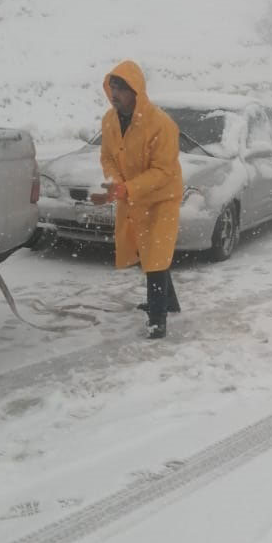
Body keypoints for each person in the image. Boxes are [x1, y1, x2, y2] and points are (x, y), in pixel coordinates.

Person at [90, 60, 183, 339]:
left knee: (155, 254)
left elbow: (164, 170)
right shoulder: (109, 120)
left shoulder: (161, 124)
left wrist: (128, 188)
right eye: (112, 86)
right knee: (147, 250)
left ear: (136, 91)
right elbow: (107, 156)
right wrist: (116, 183)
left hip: (162, 197)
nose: (115, 93)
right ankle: (170, 301)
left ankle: (158, 320)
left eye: (121, 88)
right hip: (133, 196)